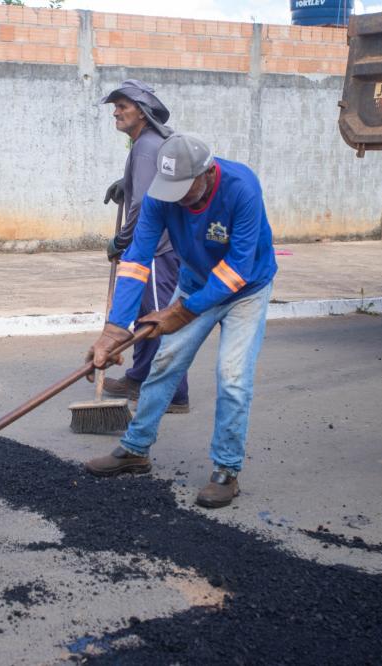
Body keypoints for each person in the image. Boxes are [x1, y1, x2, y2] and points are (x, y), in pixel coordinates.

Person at [83, 134, 277, 509]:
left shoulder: (242, 188)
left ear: (208, 172)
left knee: (233, 377)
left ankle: (226, 470)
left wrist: (182, 312)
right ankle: (136, 449)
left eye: (185, 189)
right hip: (194, 283)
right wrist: (114, 329)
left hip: (246, 290)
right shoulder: (162, 193)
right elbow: (137, 259)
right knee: (164, 363)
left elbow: (239, 267)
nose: (178, 198)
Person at [99, 80, 190, 413]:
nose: (116, 112)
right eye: (115, 106)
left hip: (156, 249)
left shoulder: (146, 146)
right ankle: (138, 378)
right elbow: (153, 183)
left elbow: (142, 206)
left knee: (157, 319)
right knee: (143, 316)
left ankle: (174, 394)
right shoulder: (147, 144)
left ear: (142, 111)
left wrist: (121, 241)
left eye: (122, 106)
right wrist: (127, 181)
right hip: (156, 247)